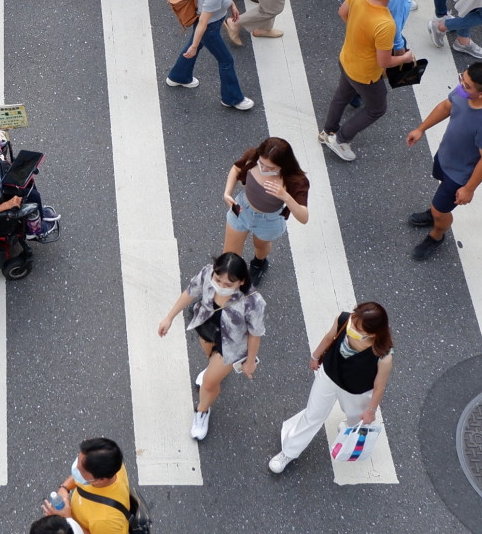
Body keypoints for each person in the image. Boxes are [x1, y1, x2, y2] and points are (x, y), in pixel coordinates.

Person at [269, 302, 393, 473]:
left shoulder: (383, 356)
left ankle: (349, 427)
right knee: (313, 415)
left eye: (359, 329)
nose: (352, 328)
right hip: (328, 376)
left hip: (357, 392)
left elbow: (379, 386)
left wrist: (371, 410)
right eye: (353, 323)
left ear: (374, 333)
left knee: (356, 419)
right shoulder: (344, 319)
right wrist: (315, 355)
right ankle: (288, 451)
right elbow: (329, 337)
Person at [157, 252, 265, 440]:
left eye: (228, 284)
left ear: (241, 281)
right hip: (206, 328)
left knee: (208, 384)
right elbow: (190, 292)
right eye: (218, 280)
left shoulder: (253, 302)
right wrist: (169, 317)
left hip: (232, 345)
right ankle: (212, 374)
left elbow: (255, 334)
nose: (221, 287)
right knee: (211, 365)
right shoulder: (207, 273)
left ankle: (202, 410)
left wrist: (249, 362)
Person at [406, 62, 482, 261]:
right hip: (445, 157)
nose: (461, 86)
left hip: (460, 174)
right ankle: (436, 212)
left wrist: (469, 188)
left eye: (467, 85)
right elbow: (446, 107)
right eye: (463, 78)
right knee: (440, 202)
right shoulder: (464, 92)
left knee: (440, 209)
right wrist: (421, 129)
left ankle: (437, 235)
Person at [318, 0, 415, 159]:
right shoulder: (385, 24)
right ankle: (340, 139)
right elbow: (385, 61)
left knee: (342, 95)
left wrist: (359, 33)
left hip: (347, 57)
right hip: (365, 74)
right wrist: (406, 57)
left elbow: (342, 12)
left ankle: (327, 131)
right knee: (377, 108)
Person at [165, 0, 253, 110]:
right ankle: (232, 98)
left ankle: (179, 76)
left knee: (195, 49)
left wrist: (232, 5)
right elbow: (204, 23)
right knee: (226, 60)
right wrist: (194, 45)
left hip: (211, 24)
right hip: (209, 28)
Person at [219, 138, 309, 286]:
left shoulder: (295, 180)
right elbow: (236, 168)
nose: (264, 169)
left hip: (270, 220)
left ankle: (259, 263)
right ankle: (218, 294)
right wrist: (227, 193)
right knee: (229, 258)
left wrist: (285, 196)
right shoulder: (253, 159)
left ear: (283, 165)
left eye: (271, 168)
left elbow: (303, 217)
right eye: (262, 164)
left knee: (260, 245)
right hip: (241, 210)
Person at [39, 438, 133, 531]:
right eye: (78, 460)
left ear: (101, 479)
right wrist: (64, 488)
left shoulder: (104, 520)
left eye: (82, 471)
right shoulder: (112, 463)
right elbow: (80, 473)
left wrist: (67, 519)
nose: (76, 469)